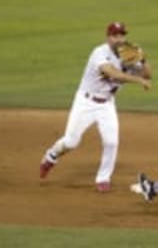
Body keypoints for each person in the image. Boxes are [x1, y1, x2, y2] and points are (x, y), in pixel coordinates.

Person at [40, 22, 152, 192]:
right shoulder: (99, 53)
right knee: (71, 142)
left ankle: (103, 178)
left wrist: (143, 59)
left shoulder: (128, 54)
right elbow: (113, 73)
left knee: (111, 142)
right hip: (85, 102)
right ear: (108, 38)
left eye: (122, 35)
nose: (120, 39)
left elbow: (148, 74)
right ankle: (51, 155)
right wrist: (138, 80)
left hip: (106, 104)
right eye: (116, 36)